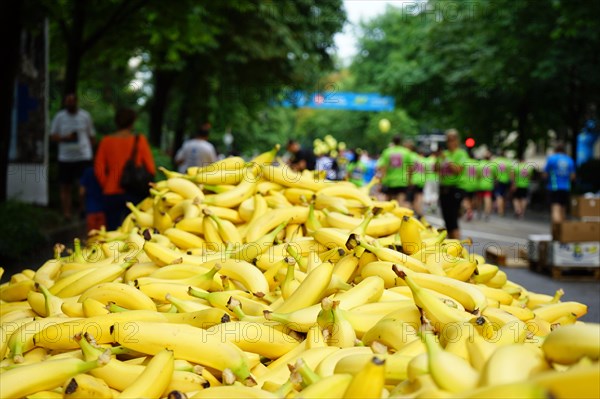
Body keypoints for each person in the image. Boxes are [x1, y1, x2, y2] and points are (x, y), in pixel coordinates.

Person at [95, 108, 155, 231]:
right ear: (132, 122)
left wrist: (107, 184)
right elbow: (151, 168)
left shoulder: (106, 141)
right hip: (135, 191)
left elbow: (99, 169)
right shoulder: (139, 140)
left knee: (112, 230)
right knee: (134, 229)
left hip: (111, 192)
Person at [50, 93, 96, 221]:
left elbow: (92, 136)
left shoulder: (85, 116)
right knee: (65, 186)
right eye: (67, 101)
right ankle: (67, 213)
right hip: (65, 158)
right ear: (65, 103)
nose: (70, 103)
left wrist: (91, 152)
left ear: (76, 102)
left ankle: (83, 210)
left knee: (83, 185)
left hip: (83, 156)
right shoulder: (59, 117)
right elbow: (52, 136)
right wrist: (66, 138)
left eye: (72, 101)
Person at [435, 129, 469, 239]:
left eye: (452, 140)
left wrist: (446, 159)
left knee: (453, 220)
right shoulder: (444, 154)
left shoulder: (461, 153)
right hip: (443, 188)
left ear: (457, 140)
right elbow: (436, 169)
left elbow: (457, 169)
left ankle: (457, 247)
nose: (450, 142)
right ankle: (451, 246)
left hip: (455, 189)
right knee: (447, 221)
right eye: (448, 140)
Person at [377, 135, 415, 207]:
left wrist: (381, 180)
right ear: (400, 141)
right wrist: (410, 180)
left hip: (389, 181)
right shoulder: (406, 152)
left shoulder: (387, 151)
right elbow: (410, 168)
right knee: (400, 202)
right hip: (402, 181)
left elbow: (383, 168)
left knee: (389, 203)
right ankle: (399, 216)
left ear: (393, 141)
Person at [543, 142, 575, 224]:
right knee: (563, 209)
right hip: (566, 187)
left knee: (555, 208)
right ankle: (563, 231)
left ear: (555, 150)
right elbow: (572, 176)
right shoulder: (570, 160)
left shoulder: (552, 159)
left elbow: (545, 174)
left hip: (554, 187)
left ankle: (557, 231)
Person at [79, 165, 106, 233]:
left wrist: (82, 207)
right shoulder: (105, 170)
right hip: (104, 209)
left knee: (92, 236)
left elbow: (81, 192)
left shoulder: (88, 172)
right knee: (103, 236)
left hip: (91, 209)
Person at [511, 155, 534, 219]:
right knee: (523, 199)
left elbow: (512, 177)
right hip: (525, 185)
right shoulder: (529, 168)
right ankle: (522, 213)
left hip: (517, 185)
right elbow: (530, 177)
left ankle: (517, 210)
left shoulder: (516, 167)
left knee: (515, 198)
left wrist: (513, 184)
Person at [458, 156, 479, 222]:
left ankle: (468, 210)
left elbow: (459, 172)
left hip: (464, 184)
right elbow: (478, 174)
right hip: (474, 184)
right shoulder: (477, 163)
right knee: (471, 199)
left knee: (464, 199)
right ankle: (469, 211)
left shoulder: (464, 162)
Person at [476, 153, 495, 221]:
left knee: (479, 199)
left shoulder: (479, 164)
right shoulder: (492, 165)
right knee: (488, 199)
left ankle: (479, 212)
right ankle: (487, 213)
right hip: (488, 184)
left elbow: (477, 175)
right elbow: (495, 176)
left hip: (480, 184)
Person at [493, 150, 512, 217]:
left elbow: (492, 172)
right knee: (504, 196)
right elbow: (511, 173)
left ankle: (500, 210)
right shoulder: (508, 162)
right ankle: (503, 210)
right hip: (506, 181)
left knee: (498, 195)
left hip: (498, 181)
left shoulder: (495, 161)